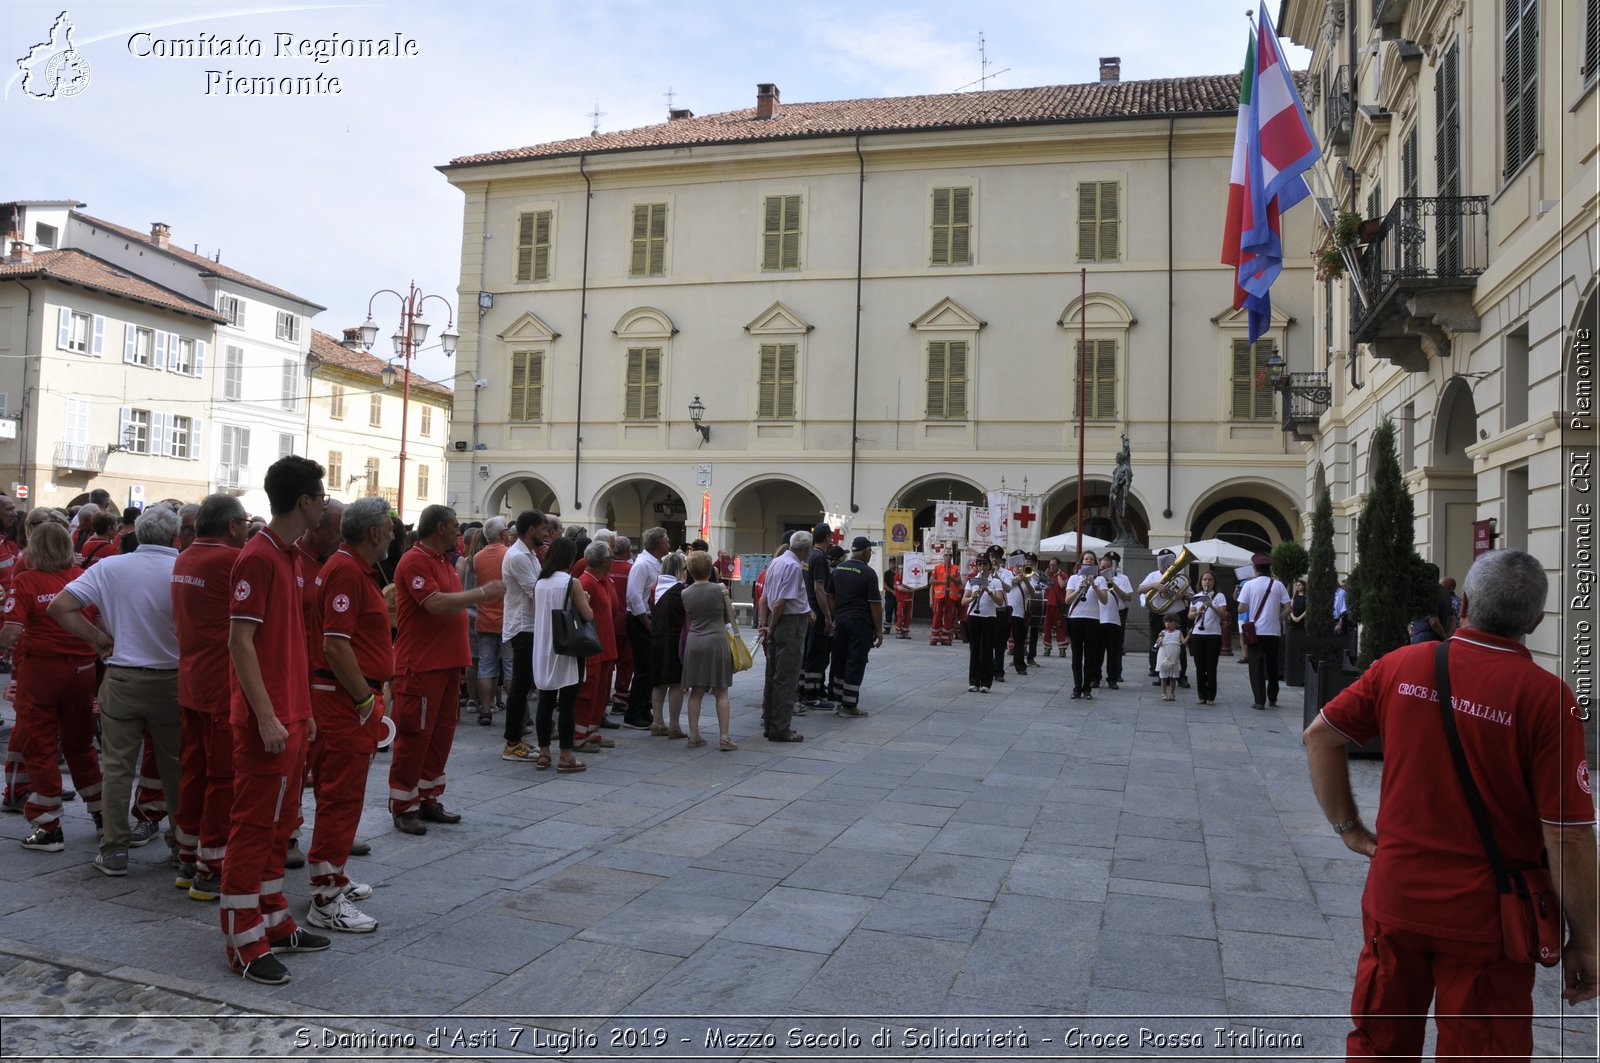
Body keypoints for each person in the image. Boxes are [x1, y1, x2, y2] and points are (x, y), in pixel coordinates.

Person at [1303, 549, 1598, 1058]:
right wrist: (1589, 938)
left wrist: (1349, 827)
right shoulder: (1549, 699)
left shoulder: (1400, 665)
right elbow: (1567, 833)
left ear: (1462, 604)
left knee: (1378, 1045)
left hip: (1395, 901)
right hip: (1488, 921)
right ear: (1536, 621)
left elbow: (1320, 737)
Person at [210, 456, 334, 984]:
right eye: (321, 496)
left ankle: (275, 919)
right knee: (254, 827)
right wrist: (265, 716)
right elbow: (239, 642)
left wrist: (303, 714)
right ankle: (243, 941)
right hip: (270, 720)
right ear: (303, 502)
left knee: (280, 825)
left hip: (291, 715)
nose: (326, 505)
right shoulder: (259, 558)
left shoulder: (288, 556)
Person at [48, 504, 183, 879]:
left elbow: (61, 607)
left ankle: (114, 850)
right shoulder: (183, 570)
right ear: (175, 537)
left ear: (137, 532)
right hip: (173, 679)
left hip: (123, 675)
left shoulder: (111, 567)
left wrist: (98, 640)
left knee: (118, 768)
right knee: (176, 767)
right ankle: (184, 846)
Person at [305, 497, 395, 935]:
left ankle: (333, 877)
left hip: (346, 697)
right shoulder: (345, 570)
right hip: (343, 700)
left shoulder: (349, 568)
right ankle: (325, 898)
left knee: (339, 795)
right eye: (391, 529)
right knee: (340, 797)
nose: (394, 537)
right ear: (374, 532)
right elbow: (335, 644)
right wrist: (364, 700)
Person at [390, 506, 504, 835]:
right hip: (421, 665)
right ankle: (403, 804)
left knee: (440, 736)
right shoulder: (415, 560)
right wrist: (483, 593)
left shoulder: (443, 561)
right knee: (415, 737)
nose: (458, 532)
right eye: (454, 526)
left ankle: (428, 797)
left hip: (445, 663)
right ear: (440, 527)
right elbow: (435, 603)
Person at [0, 522, 101, 853]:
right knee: (81, 743)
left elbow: (12, 632)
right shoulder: (83, 577)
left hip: (42, 671)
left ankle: (48, 827)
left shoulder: (26, 581)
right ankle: (101, 816)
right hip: (83, 669)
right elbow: (100, 623)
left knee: (39, 743)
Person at [169, 493, 248, 900]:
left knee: (194, 771)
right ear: (233, 526)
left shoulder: (185, 557)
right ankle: (210, 867)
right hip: (221, 684)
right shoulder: (228, 560)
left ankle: (187, 854)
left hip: (192, 680)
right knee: (222, 778)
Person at [530, 537, 592, 773]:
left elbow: (536, 611)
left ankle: (544, 752)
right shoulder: (571, 583)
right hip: (567, 647)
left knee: (545, 702)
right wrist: (585, 600)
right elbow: (588, 616)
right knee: (567, 703)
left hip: (543, 645)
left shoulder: (540, 582)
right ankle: (565, 755)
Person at [499, 510, 547, 760]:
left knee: (523, 684)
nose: (546, 534)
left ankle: (517, 737)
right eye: (543, 529)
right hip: (522, 627)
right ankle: (512, 742)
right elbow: (535, 590)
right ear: (531, 530)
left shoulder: (528, 554)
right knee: (519, 686)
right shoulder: (518, 556)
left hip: (529, 626)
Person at [679, 550, 737, 750]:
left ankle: (693, 735)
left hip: (694, 642)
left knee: (696, 691)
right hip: (716, 640)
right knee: (721, 691)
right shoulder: (720, 588)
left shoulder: (684, 593)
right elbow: (730, 617)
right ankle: (724, 737)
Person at [759, 531, 811, 742]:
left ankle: (771, 723)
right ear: (806, 549)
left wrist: (767, 623)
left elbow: (766, 598)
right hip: (789, 624)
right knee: (786, 676)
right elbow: (781, 602)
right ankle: (781, 728)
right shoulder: (792, 566)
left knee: (773, 675)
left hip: (779, 620)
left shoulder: (777, 562)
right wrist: (772, 627)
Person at [826, 537, 883, 717]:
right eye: (870, 552)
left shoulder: (838, 570)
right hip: (859, 622)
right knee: (855, 661)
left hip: (841, 620)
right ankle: (849, 705)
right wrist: (879, 630)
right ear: (866, 552)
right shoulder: (868, 573)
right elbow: (875, 604)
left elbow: (829, 596)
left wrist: (836, 616)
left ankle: (837, 699)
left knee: (839, 658)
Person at [623, 527, 670, 730]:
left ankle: (644, 708)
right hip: (640, 620)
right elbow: (633, 596)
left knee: (650, 668)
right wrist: (646, 622)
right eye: (667, 541)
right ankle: (633, 712)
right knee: (643, 668)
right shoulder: (642, 565)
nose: (669, 545)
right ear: (659, 544)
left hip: (650, 619)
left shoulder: (655, 563)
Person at [572, 540, 618, 752]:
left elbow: (615, 606)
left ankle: (591, 730)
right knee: (589, 691)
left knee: (601, 692)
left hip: (605, 645)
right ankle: (579, 735)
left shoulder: (600, 580)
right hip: (592, 646)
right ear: (603, 561)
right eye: (610, 558)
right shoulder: (586, 582)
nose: (613, 561)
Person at [1235, 553, 1291, 710]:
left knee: (1256, 666)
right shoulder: (1278, 585)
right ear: (1269, 569)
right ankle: (1272, 697)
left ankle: (1259, 701)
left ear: (1254, 569)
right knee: (1272, 665)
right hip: (1273, 631)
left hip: (1256, 631)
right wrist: (1277, 619)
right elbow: (1288, 608)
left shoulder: (1249, 585)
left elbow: (1241, 608)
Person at [649, 552, 688, 738]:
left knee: (658, 682)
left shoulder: (655, 588)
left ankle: (657, 722)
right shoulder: (681, 590)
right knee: (676, 682)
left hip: (656, 638)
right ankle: (674, 725)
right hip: (674, 640)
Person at [1139, 548, 1191, 687]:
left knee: (1179, 646)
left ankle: (1181, 676)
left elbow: (1192, 596)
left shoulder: (1180, 578)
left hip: (1178, 615)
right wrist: (1154, 585)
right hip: (1158, 615)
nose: (1166, 565)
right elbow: (1140, 589)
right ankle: (1163, 676)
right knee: (1160, 645)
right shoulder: (1153, 575)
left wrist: (1182, 596)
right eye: (1163, 562)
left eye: (1169, 562)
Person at [800, 522, 836, 708]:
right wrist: (828, 616)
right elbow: (819, 588)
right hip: (817, 609)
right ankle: (812, 695)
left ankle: (806, 690)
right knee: (817, 652)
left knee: (809, 650)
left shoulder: (808, 556)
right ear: (828, 537)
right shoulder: (820, 558)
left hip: (808, 607)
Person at [1063, 551, 1106, 700]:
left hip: (1093, 619)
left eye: (1091, 560)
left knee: (1090, 656)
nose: (1088, 561)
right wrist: (1079, 589)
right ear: (1081, 562)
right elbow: (1067, 600)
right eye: (1086, 559)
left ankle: (1087, 688)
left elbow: (1104, 600)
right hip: (1076, 618)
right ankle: (1077, 687)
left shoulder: (1100, 579)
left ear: (1095, 563)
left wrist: (1094, 586)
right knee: (1076, 655)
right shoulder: (1074, 578)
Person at [961, 555, 1003, 693]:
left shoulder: (995, 582)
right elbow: (963, 601)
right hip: (974, 617)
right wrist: (973, 597)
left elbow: (1000, 602)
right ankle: (974, 681)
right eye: (979, 564)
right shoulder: (972, 581)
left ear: (989, 566)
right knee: (974, 650)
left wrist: (989, 591)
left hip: (989, 618)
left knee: (987, 650)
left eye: (984, 564)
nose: (982, 567)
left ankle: (986, 682)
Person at [1187, 571, 1227, 705]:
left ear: (1214, 582)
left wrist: (1212, 606)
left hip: (1214, 634)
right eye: (1205, 579)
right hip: (1198, 633)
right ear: (1201, 581)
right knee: (1199, 666)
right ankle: (1201, 695)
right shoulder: (1197, 596)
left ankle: (1211, 695)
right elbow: (1190, 616)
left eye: (1210, 580)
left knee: (1211, 666)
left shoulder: (1219, 596)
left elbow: (1223, 615)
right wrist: (1198, 611)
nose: (1207, 582)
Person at [606, 535, 634, 718]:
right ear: (626, 550)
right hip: (625, 621)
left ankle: (604, 696)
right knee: (626, 662)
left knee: (608, 663)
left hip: (608, 622)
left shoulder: (606, 569)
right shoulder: (631, 569)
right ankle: (621, 699)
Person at [1096, 551, 1133, 689]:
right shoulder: (1095, 579)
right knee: (1097, 650)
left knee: (1114, 650)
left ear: (1112, 567)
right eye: (1102, 567)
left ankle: (1113, 678)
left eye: (1107, 567)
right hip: (1098, 618)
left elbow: (1128, 597)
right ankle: (1095, 677)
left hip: (1116, 617)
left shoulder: (1122, 579)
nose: (1104, 569)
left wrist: (1113, 585)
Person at [929, 549, 957, 646]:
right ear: (943, 557)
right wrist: (943, 582)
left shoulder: (956, 568)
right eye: (946, 555)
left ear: (952, 557)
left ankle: (945, 638)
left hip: (951, 596)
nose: (948, 557)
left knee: (949, 617)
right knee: (937, 616)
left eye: (950, 555)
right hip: (939, 596)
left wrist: (951, 578)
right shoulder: (937, 568)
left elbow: (960, 582)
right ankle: (934, 637)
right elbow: (931, 581)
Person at [1154, 614, 1185, 701]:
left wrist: (1189, 635)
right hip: (1164, 655)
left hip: (1174, 656)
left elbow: (1184, 642)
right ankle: (1164, 693)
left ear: (1176, 623)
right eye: (1166, 622)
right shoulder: (1163, 632)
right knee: (1163, 675)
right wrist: (1160, 639)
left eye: (1170, 622)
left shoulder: (1178, 633)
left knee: (1173, 676)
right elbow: (1158, 644)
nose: (1168, 624)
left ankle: (1172, 693)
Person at [1041, 559, 1067, 658]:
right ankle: (1047, 648)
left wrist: (1059, 575)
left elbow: (1062, 585)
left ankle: (1062, 649)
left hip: (1058, 605)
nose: (1052, 567)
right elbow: (1041, 586)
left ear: (1058, 565)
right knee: (1046, 627)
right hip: (1048, 604)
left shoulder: (1063, 575)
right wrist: (1045, 576)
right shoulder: (1048, 575)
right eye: (1050, 565)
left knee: (1059, 627)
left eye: (1054, 565)